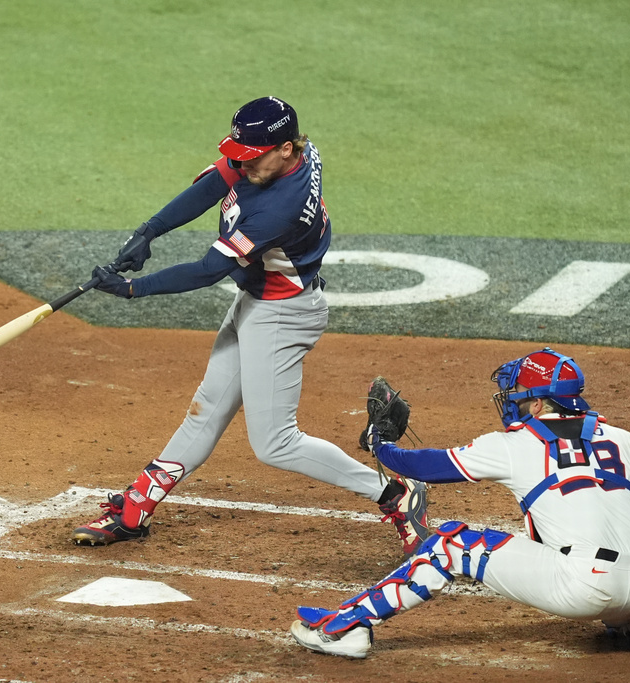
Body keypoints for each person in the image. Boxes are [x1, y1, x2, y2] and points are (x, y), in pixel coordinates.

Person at [70, 96, 429, 558]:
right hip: (256, 301)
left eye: (250, 157)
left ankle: (397, 496)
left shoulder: (281, 206)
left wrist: (134, 289)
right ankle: (136, 506)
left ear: (284, 150)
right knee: (206, 410)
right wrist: (151, 230)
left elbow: (206, 270)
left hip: (283, 314)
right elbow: (218, 179)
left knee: (275, 444)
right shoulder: (282, 153)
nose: (242, 164)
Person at [290, 347, 630, 660]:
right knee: (605, 560)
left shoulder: (513, 445)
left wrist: (379, 443)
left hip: (583, 586)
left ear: (539, 405)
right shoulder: (625, 439)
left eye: (520, 399)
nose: (512, 405)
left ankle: (348, 627)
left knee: (450, 545)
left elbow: (424, 466)